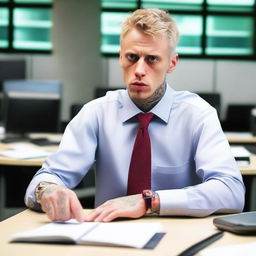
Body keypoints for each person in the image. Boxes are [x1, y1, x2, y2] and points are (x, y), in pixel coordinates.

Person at [25, 8, 245, 222]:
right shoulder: (97, 113)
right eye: (131, 57)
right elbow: (48, 178)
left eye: (152, 59)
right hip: (106, 235)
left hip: (177, 237)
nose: (139, 69)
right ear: (120, 57)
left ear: (172, 63)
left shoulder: (198, 115)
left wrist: (151, 201)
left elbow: (231, 191)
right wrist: (49, 190)